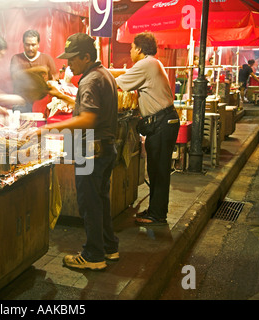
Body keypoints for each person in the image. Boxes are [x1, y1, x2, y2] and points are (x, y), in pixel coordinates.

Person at [31, 33, 119, 270]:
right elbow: (89, 109)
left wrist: (49, 128)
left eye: (72, 59)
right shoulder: (103, 74)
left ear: (86, 57)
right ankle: (108, 248)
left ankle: (93, 256)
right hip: (105, 147)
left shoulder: (89, 81)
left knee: (90, 202)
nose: (68, 64)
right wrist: (60, 95)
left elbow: (88, 118)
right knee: (100, 200)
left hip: (92, 149)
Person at [116, 32, 180, 226]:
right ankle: (155, 210)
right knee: (157, 169)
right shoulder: (152, 63)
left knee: (158, 170)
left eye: (132, 47)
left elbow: (118, 83)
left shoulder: (145, 64)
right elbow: (122, 74)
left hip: (162, 123)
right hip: (164, 122)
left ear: (139, 49)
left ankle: (157, 214)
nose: (130, 51)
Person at [10, 30, 58, 113]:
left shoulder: (47, 59)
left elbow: (55, 79)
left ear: (38, 44)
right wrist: (38, 69)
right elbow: (15, 76)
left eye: (33, 45)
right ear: (23, 44)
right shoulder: (16, 58)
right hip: (21, 102)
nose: (30, 48)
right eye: (27, 45)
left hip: (42, 103)